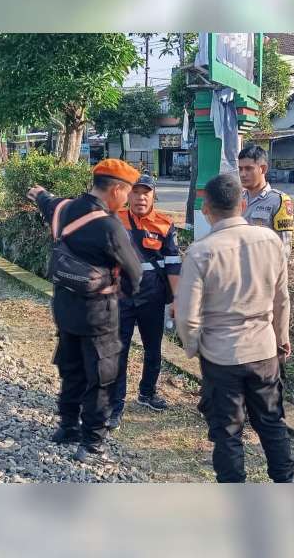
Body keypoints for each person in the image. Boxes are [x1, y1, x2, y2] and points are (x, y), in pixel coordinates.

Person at [175, 173, 294, 483]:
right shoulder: (270, 241)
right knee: (271, 422)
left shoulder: (201, 252)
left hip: (221, 355)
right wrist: (281, 338)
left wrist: (193, 346)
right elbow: (282, 299)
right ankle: (285, 482)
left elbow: (187, 316)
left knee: (227, 431)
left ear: (205, 208)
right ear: (242, 203)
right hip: (264, 349)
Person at [26, 159, 143, 466]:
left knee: (72, 368)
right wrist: (122, 294)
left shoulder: (63, 209)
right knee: (102, 378)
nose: (128, 199)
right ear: (116, 189)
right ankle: (92, 446)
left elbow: (45, 201)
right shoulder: (109, 226)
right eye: (127, 193)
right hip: (99, 315)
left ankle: (67, 427)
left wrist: (39, 194)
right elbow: (135, 274)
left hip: (64, 308)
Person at [108, 174, 181, 430]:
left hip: (153, 297)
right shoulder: (114, 220)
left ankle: (147, 393)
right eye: (136, 192)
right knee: (119, 351)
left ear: (153, 195)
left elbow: (173, 264)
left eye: (145, 192)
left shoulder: (165, 224)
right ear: (127, 195)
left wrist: (176, 301)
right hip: (121, 297)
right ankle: (115, 406)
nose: (140, 197)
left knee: (153, 349)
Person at [238, 144, 294, 263]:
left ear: (263, 169)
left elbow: (284, 246)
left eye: (248, 168)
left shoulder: (279, 201)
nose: (243, 174)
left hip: (264, 271)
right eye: (240, 169)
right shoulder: (236, 199)